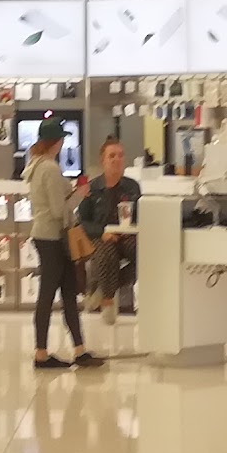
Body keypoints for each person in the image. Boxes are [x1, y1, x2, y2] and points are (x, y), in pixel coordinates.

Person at [27, 117, 100, 369]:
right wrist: (80, 195)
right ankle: (43, 354)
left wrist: (70, 192)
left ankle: (78, 349)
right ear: (56, 142)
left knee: (62, 292)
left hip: (46, 236)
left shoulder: (36, 165)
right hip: (53, 238)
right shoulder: (50, 168)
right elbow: (59, 211)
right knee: (54, 294)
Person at [75, 137, 142, 313]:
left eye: (120, 155)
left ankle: (103, 290)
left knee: (144, 254)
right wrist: (101, 233)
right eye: (112, 156)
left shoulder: (132, 187)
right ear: (102, 160)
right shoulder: (91, 188)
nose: (116, 159)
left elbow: (140, 215)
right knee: (107, 256)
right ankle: (107, 300)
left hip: (126, 236)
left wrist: (132, 229)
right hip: (100, 236)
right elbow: (81, 222)